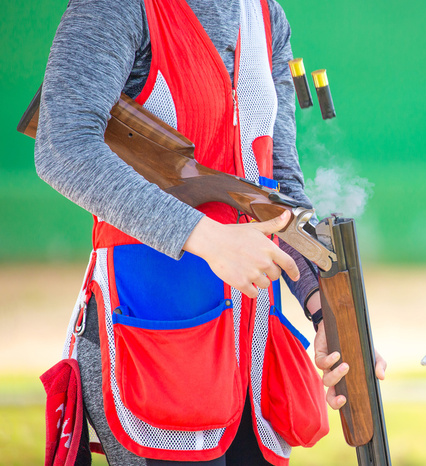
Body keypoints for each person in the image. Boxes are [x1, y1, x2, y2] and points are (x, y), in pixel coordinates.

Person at [34, 0, 386, 464]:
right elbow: (62, 146)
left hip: (249, 366)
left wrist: (326, 309)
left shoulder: (265, 15)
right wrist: (209, 238)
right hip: (152, 344)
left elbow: (278, 189)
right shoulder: (113, 7)